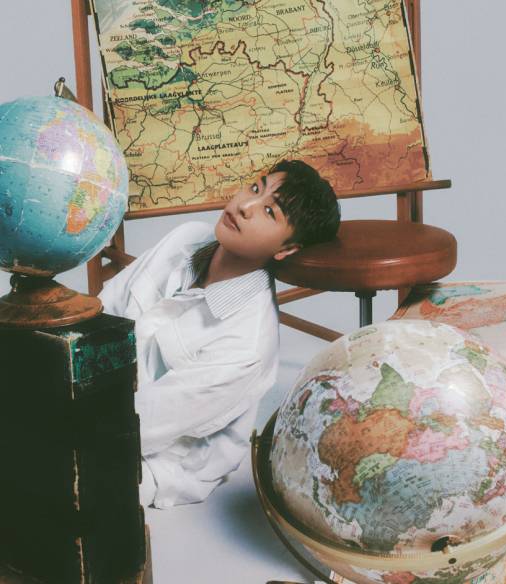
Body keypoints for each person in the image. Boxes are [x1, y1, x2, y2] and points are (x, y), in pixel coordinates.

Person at [98, 159, 340, 508]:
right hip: (97, 393)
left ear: (286, 249)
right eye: (255, 188)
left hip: (153, 458)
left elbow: (139, 425)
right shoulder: (186, 237)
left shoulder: (248, 343)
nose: (244, 206)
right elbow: (105, 310)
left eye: (269, 211)